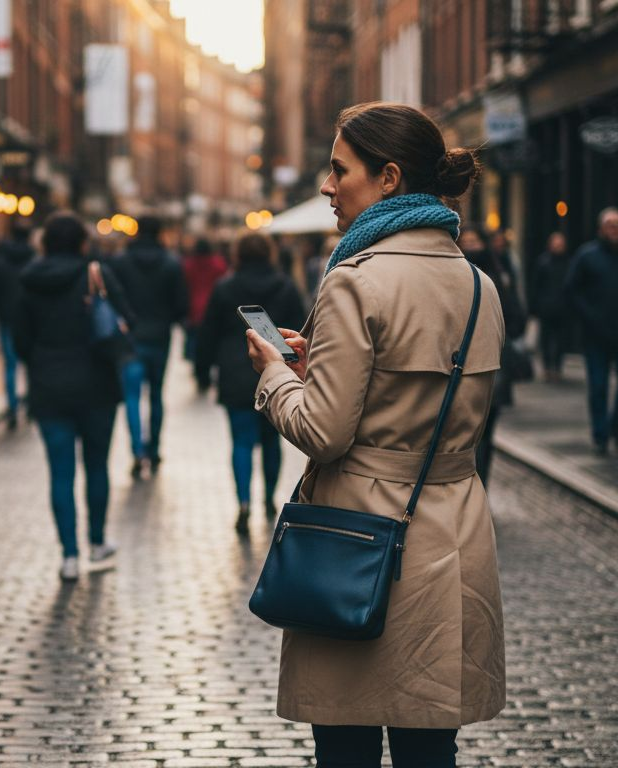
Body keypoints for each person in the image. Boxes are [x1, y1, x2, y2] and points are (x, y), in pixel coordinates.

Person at [245, 101, 505, 768]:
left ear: (388, 178)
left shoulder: (355, 281)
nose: (328, 187)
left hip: (357, 544)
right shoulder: (479, 285)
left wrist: (276, 374)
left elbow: (323, 432)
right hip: (449, 536)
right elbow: (422, 401)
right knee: (428, 748)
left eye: (339, 171)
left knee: (348, 747)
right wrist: (322, 362)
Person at [14, 211, 134, 580]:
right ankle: (97, 543)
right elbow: (127, 320)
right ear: (82, 242)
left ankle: (68, 555)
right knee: (96, 466)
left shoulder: (29, 280)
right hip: (97, 384)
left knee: (60, 473)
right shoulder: (96, 274)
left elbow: (20, 341)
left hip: (49, 386)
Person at [196, 231, 306, 533]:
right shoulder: (285, 286)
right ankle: (269, 498)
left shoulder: (226, 287)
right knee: (272, 440)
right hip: (275, 372)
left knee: (241, 442)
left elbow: (208, 332)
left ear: (238, 255)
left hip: (234, 372)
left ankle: (243, 502)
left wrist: (202, 370)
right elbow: (300, 328)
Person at [112, 215, 189, 479]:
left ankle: (137, 451)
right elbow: (181, 305)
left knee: (132, 397)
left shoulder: (121, 262)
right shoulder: (170, 263)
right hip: (159, 337)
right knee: (156, 395)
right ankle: (154, 449)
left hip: (130, 339)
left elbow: (111, 299)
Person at [564, 207, 618, 455]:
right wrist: (589, 317)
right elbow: (572, 290)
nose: (615, 229)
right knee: (598, 387)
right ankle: (601, 435)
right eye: (610, 225)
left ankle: (617, 426)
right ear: (601, 229)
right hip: (595, 334)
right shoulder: (587, 256)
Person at [458, 228, 527, 486]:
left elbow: (515, 315)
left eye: (475, 241)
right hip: (462, 361)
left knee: (486, 430)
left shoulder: (498, 274)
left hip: (495, 360)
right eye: (466, 242)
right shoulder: (455, 275)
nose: (471, 247)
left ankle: (481, 484)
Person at [0, 221, 36, 429]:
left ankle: (12, 407)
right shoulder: (35, 261)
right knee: (30, 362)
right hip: (30, 318)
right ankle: (32, 404)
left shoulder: (0, 262)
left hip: (7, 318)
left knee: (10, 364)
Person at [530, 232, 573, 382]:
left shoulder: (569, 263)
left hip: (563, 308)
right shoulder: (543, 262)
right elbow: (536, 286)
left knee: (561, 340)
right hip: (546, 307)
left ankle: (557, 367)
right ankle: (548, 366)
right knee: (546, 339)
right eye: (556, 244)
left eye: (560, 244)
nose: (558, 246)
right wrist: (535, 307)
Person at [181, 238, 229, 364]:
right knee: (210, 338)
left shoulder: (188, 265)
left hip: (193, 307)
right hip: (213, 307)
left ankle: (194, 362)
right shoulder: (219, 264)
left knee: (193, 337)